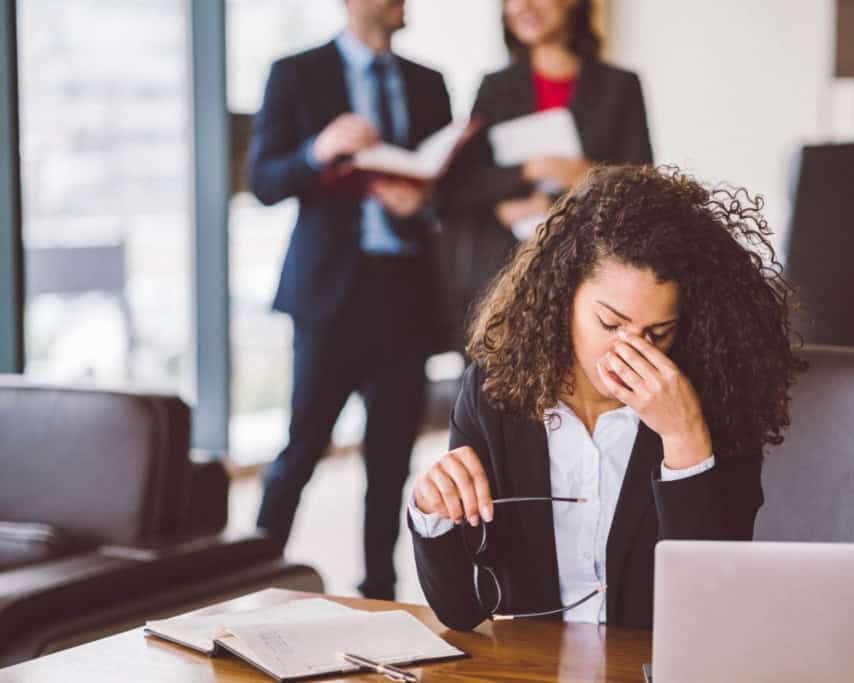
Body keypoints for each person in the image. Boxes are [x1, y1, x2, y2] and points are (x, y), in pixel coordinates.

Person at [409, 165, 805, 630]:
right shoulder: (493, 392)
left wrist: (685, 441)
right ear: (563, 297)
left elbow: (711, 611)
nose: (629, 351)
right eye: (611, 324)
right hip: (535, 663)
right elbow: (460, 612)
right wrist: (433, 512)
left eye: (657, 333)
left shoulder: (718, 397)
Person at [248, 0, 452, 601]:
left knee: (391, 462)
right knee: (302, 448)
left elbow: (452, 184)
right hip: (329, 297)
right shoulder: (296, 73)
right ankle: (249, 575)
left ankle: (379, 593)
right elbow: (263, 180)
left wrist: (424, 202)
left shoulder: (428, 82)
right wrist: (317, 149)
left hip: (405, 292)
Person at [438, 0, 653, 350]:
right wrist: (528, 172)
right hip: (505, 281)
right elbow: (460, 187)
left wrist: (588, 175)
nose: (523, 6)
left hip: (590, 276)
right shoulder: (495, 87)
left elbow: (645, 188)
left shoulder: (620, 86)